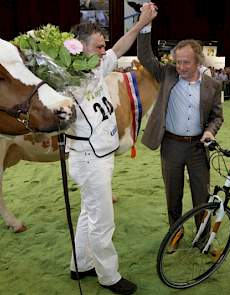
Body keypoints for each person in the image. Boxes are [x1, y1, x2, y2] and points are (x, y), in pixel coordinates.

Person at [66, 6, 156, 295]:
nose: (105, 51)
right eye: (99, 46)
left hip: (99, 156)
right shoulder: (69, 81)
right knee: (103, 221)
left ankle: (80, 264)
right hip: (90, 158)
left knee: (88, 214)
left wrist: (141, 23)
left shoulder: (96, 67)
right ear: (80, 49)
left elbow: (119, 46)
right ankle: (109, 276)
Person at [137, 4, 223, 251]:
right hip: (171, 145)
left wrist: (210, 131)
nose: (181, 67)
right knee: (172, 195)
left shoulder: (212, 86)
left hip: (198, 148)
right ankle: (175, 232)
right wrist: (147, 25)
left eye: (186, 62)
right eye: (177, 61)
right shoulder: (167, 74)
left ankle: (203, 237)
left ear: (198, 61)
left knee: (201, 196)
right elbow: (145, 57)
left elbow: (217, 116)